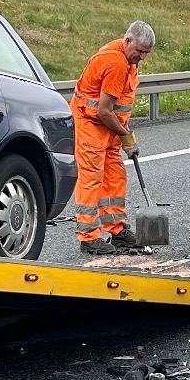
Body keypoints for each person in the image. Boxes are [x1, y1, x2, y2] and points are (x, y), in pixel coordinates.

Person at [69, 20, 155, 255]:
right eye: (139, 51)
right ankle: (88, 237)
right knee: (92, 179)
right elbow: (104, 110)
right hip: (91, 125)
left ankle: (117, 231)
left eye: (146, 53)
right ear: (127, 41)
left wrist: (122, 131)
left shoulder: (128, 59)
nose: (142, 57)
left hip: (108, 128)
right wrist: (126, 136)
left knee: (115, 176)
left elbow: (118, 105)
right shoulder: (116, 63)